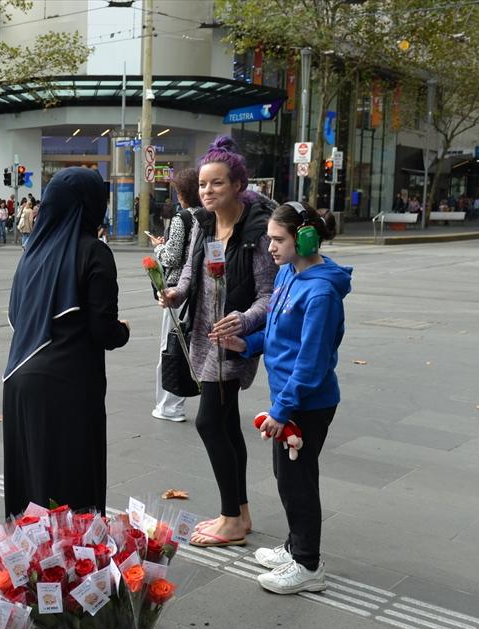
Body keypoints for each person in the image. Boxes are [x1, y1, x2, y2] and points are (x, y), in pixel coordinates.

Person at [219, 201, 351, 594]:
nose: (271, 247)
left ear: (305, 238)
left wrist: (281, 409)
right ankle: (295, 547)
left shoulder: (321, 293)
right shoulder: (288, 274)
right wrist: (245, 344)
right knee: (287, 476)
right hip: (292, 399)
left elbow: (310, 362)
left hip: (306, 404)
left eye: (278, 239)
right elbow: (279, 335)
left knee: (298, 483)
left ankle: (308, 565)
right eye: (269, 239)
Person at [159, 136, 278, 547]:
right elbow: (190, 272)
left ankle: (230, 519)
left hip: (232, 340)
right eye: (203, 184)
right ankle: (239, 513)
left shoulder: (256, 232)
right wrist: (176, 293)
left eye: (217, 183)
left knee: (210, 421)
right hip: (202, 333)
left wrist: (243, 320)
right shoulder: (204, 223)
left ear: (238, 184)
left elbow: (269, 295)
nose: (208, 191)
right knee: (226, 423)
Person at [2, 167, 130, 518]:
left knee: (32, 488)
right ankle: (73, 554)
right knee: (70, 489)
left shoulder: (30, 254)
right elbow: (103, 330)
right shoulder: (94, 252)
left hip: (18, 382)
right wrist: (123, 330)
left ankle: (30, 553)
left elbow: (18, 315)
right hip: (66, 387)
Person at [147, 167, 201, 423]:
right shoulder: (207, 215)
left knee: (170, 347)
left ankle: (169, 406)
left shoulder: (182, 218)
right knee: (187, 346)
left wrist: (158, 249)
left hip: (177, 289)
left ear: (182, 193)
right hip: (198, 288)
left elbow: (172, 257)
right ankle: (176, 401)